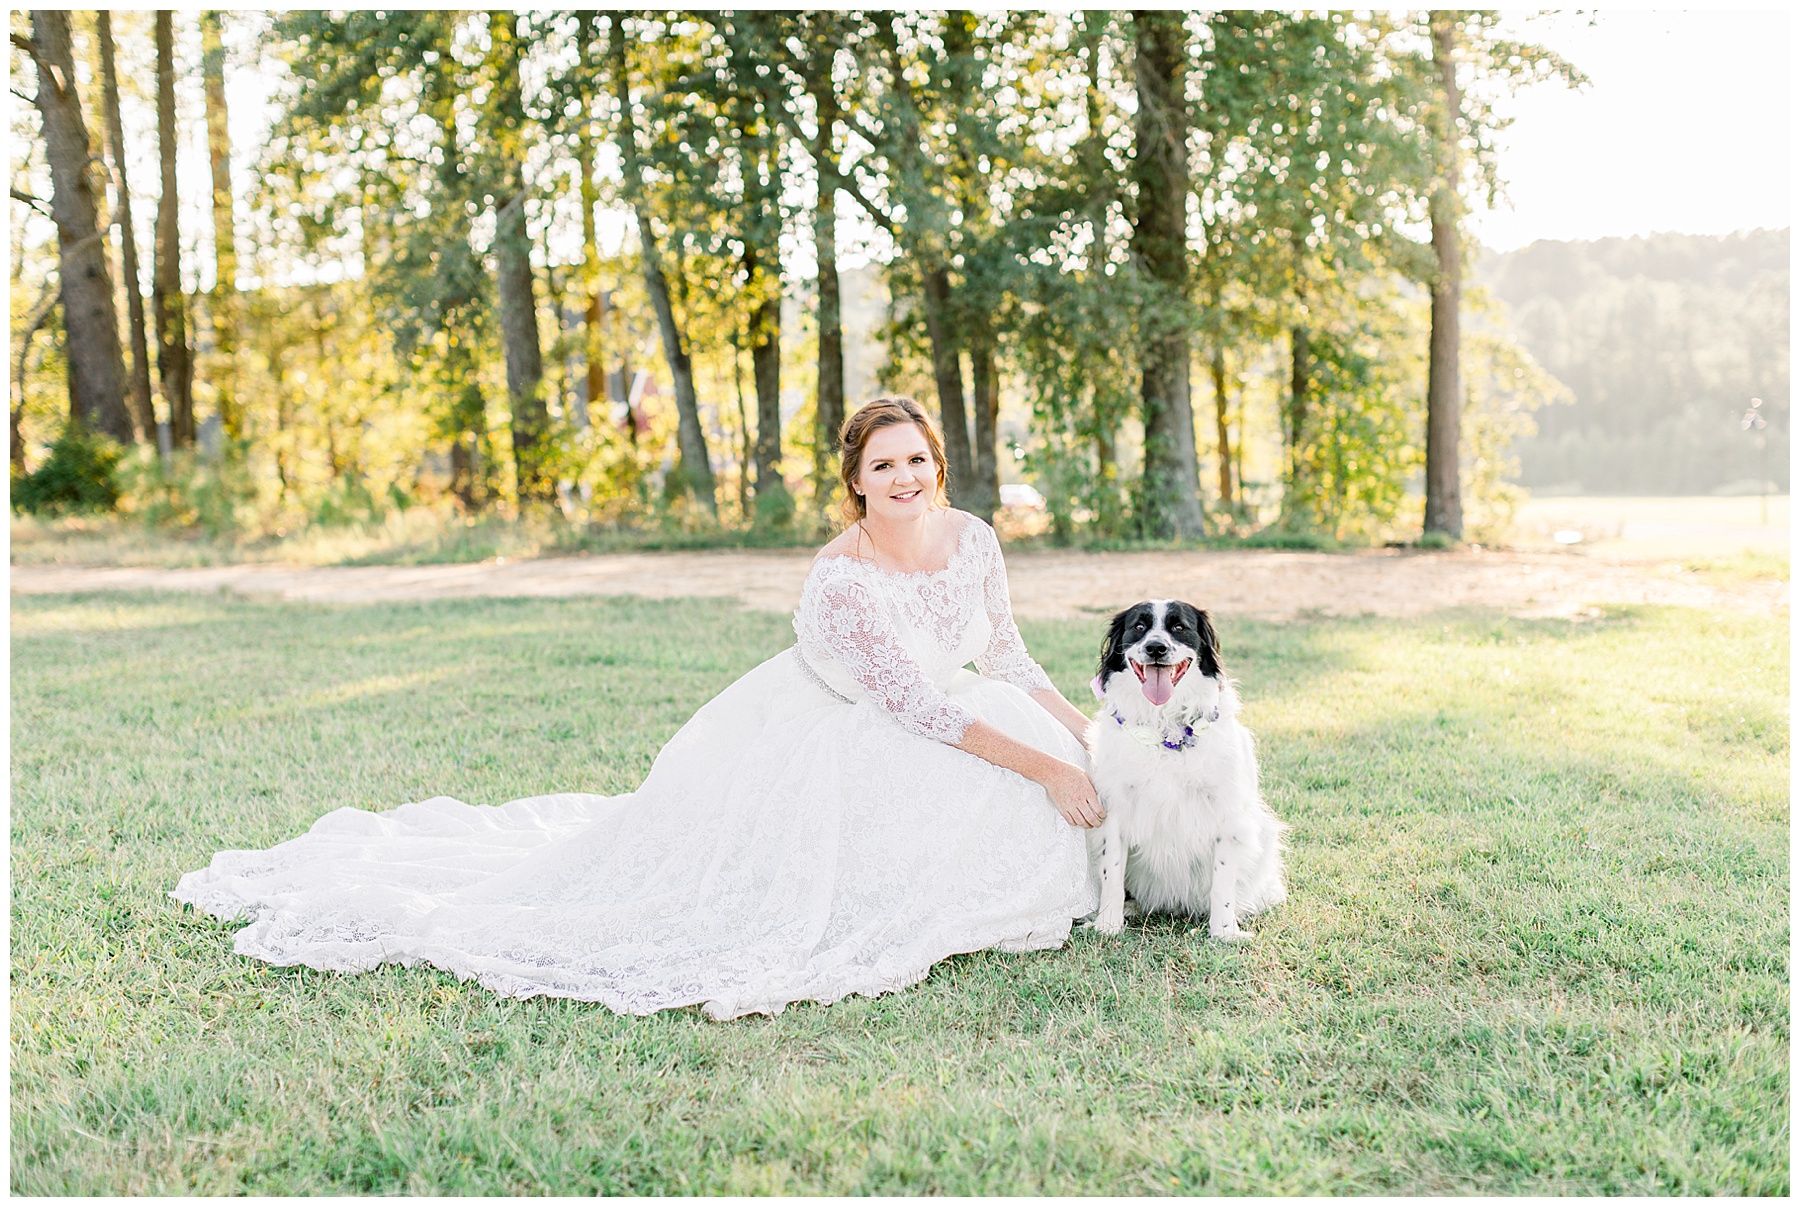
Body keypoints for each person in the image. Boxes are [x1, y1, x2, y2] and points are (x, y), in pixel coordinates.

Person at [173, 397, 1104, 1020]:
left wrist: (1084, 736)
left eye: (917, 461)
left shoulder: (974, 537)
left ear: (938, 466)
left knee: (1031, 754)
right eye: (883, 465)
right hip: (848, 726)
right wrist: (1052, 771)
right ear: (856, 480)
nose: (904, 478)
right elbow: (914, 711)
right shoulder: (844, 578)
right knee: (987, 777)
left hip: (951, 705)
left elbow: (1009, 654)